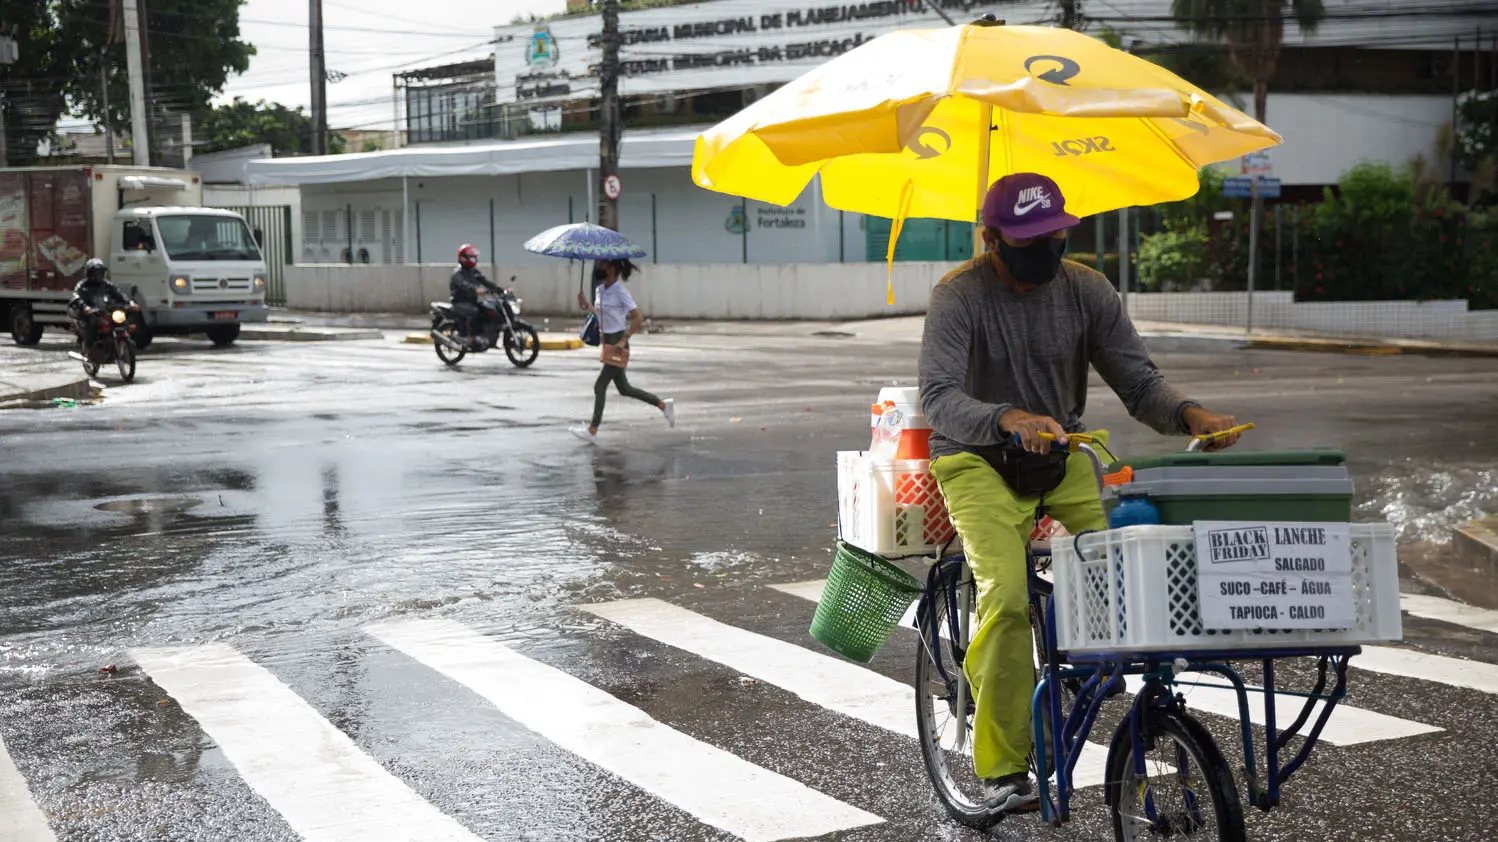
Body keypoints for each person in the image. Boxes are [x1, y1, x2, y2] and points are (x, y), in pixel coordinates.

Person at [918, 173, 1241, 814]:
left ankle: (1115, 695)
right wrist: (1007, 418)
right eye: (1028, 239)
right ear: (991, 239)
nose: (1046, 248)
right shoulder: (958, 297)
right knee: (1005, 599)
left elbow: (1139, 383)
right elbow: (938, 399)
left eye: (1055, 235)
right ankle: (1004, 769)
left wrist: (1192, 415)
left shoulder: (1087, 290)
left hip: (1061, 454)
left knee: (1123, 575)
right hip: (975, 460)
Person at [570, 259, 674, 444]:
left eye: (603, 264)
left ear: (612, 269)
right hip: (607, 342)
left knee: (600, 385)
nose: (599, 267)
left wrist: (624, 340)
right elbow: (601, 315)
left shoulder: (620, 292)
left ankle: (592, 430)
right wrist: (586, 305)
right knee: (624, 388)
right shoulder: (600, 290)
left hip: (618, 343)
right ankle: (662, 405)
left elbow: (638, 317)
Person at [449, 243, 503, 349]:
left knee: (489, 310)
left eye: (474, 257)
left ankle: (486, 337)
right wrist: (475, 290)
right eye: (471, 257)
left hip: (472, 301)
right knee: (474, 311)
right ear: (463, 258)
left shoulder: (473, 271)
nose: (474, 259)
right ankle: (469, 338)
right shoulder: (458, 273)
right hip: (460, 302)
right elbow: (464, 285)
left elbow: (485, 281)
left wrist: (499, 289)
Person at [67, 258, 126, 346]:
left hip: (106, 312)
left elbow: (118, 294)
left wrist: (129, 303)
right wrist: (85, 307)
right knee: (92, 322)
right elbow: (76, 296)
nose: (98, 275)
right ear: (89, 273)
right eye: (95, 272)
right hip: (91, 312)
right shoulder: (82, 285)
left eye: (100, 272)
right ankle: (89, 346)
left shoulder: (107, 285)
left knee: (122, 320)